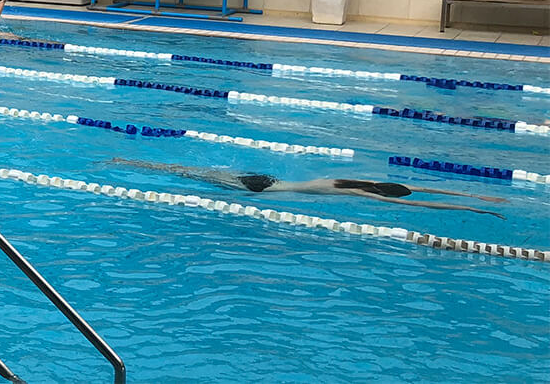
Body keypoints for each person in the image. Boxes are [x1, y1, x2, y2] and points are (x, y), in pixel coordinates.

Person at [110, 159, 507, 218]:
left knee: (193, 173)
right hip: (263, 192)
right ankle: (129, 163)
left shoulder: (354, 178)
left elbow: (423, 189)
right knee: (193, 178)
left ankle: (131, 162)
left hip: (268, 179)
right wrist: (473, 208)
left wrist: (476, 198)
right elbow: (424, 204)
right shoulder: (357, 194)